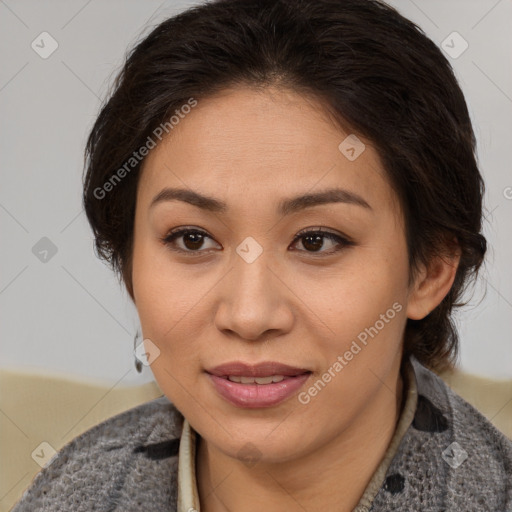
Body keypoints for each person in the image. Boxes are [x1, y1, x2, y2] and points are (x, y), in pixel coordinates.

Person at [12, 0, 512, 511]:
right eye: (192, 239)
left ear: (429, 269)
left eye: (316, 241)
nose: (249, 316)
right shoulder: (64, 496)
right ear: (128, 262)